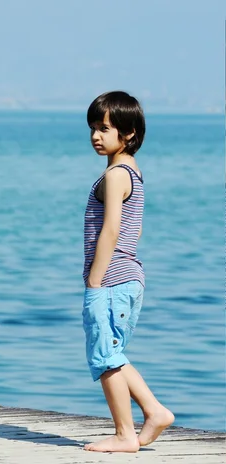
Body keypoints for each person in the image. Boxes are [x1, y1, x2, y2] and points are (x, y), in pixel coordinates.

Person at [81, 91, 174, 453]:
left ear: (129, 133)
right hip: (126, 277)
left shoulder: (117, 174)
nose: (95, 136)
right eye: (92, 127)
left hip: (111, 279)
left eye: (104, 128)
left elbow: (112, 229)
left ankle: (124, 434)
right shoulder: (130, 170)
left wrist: (94, 278)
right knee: (113, 353)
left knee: (105, 357)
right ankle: (154, 412)